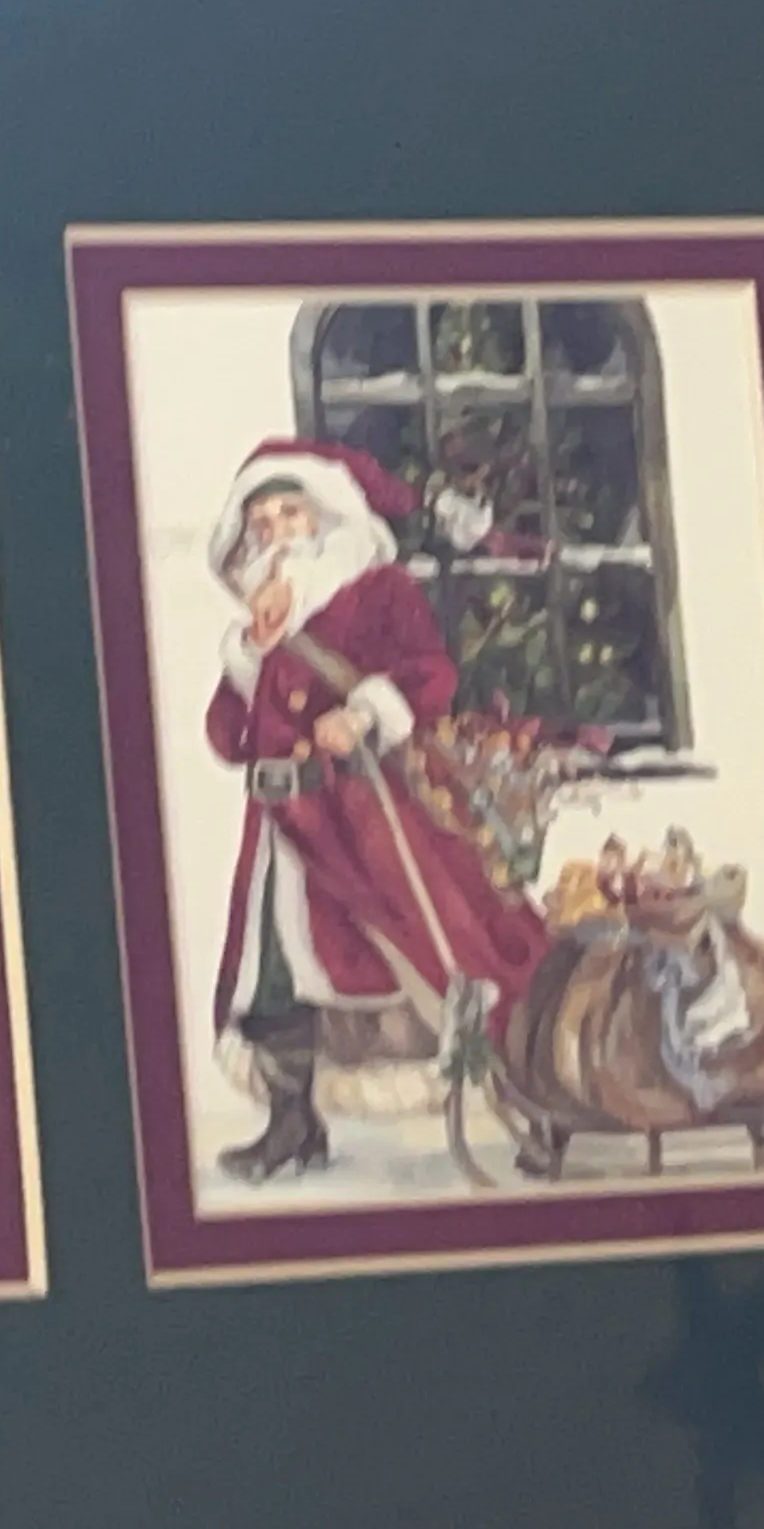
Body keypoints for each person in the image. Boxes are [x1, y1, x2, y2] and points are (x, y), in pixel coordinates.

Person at [201, 438, 549, 1183]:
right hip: (282, 829)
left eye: (289, 513)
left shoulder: (378, 589)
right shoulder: (264, 618)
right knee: (275, 976)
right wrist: (248, 657)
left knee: (426, 950)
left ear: (324, 516)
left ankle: (520, 1095)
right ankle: (293, 1124)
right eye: (261, 522)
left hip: (364, 811)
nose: (276, 532)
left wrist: (363, 712)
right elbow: (226, 737)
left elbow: (430, 672)